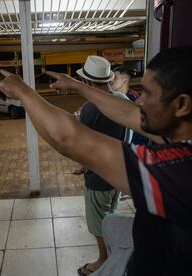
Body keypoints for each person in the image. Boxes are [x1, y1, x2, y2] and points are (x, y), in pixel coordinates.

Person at [0, 45, 192, 275]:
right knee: (111, 221)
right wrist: (75, 85)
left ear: (182, 104)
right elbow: (128, 112)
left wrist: (21, 91)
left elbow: (68, 139)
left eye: (147, 93)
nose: (139, 100)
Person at [70, 55, 132, 276]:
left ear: (87, 82)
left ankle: (103, 262)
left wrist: (83, 166)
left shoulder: (90, 108)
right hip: (120, 174)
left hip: (98, 177)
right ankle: (114, 255)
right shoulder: (123, 101)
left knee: (99, 222)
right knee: (112, 215)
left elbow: (82, 146)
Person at [109, 66, 150, 145]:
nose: (111, 81)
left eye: (115, 78)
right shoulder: (114, 96)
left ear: (124, 80)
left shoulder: (135, 99)